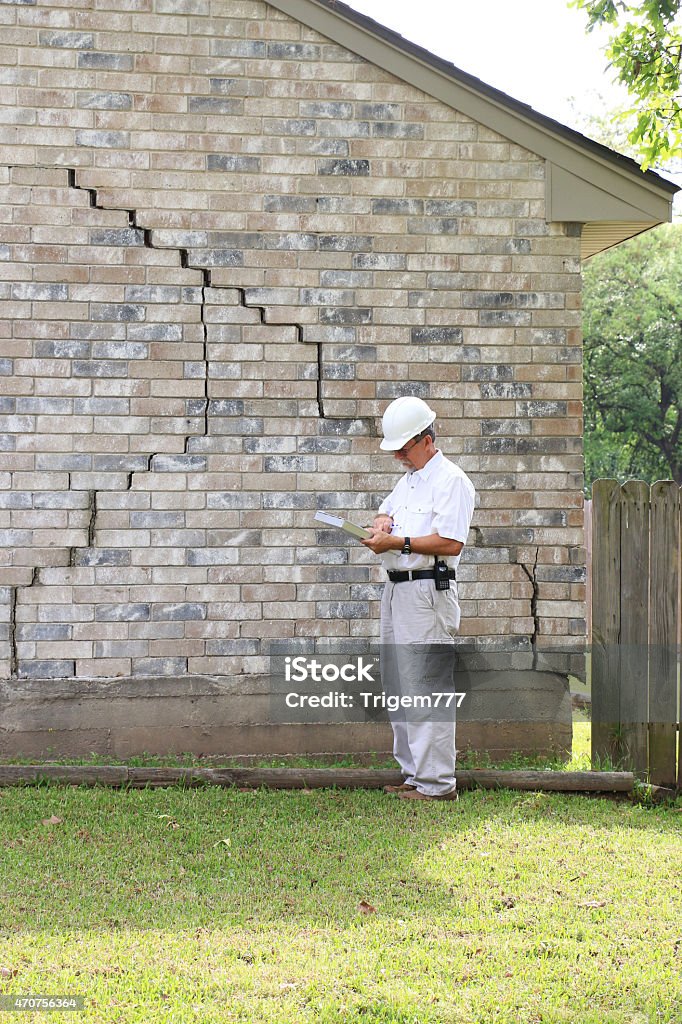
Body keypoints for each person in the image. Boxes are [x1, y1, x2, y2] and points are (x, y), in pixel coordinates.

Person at [361, 396, 475, 802]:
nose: (398, 457)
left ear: (426, 440)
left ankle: (437, 785)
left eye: (403, 449)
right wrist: (381, 522)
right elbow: (385, 511)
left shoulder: (451, 481)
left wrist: (399, 541)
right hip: (397, 588)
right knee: (399, 683)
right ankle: (414, 775)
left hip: (427, 590)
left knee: (426, 685)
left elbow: (452, 542)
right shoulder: (409, 479)